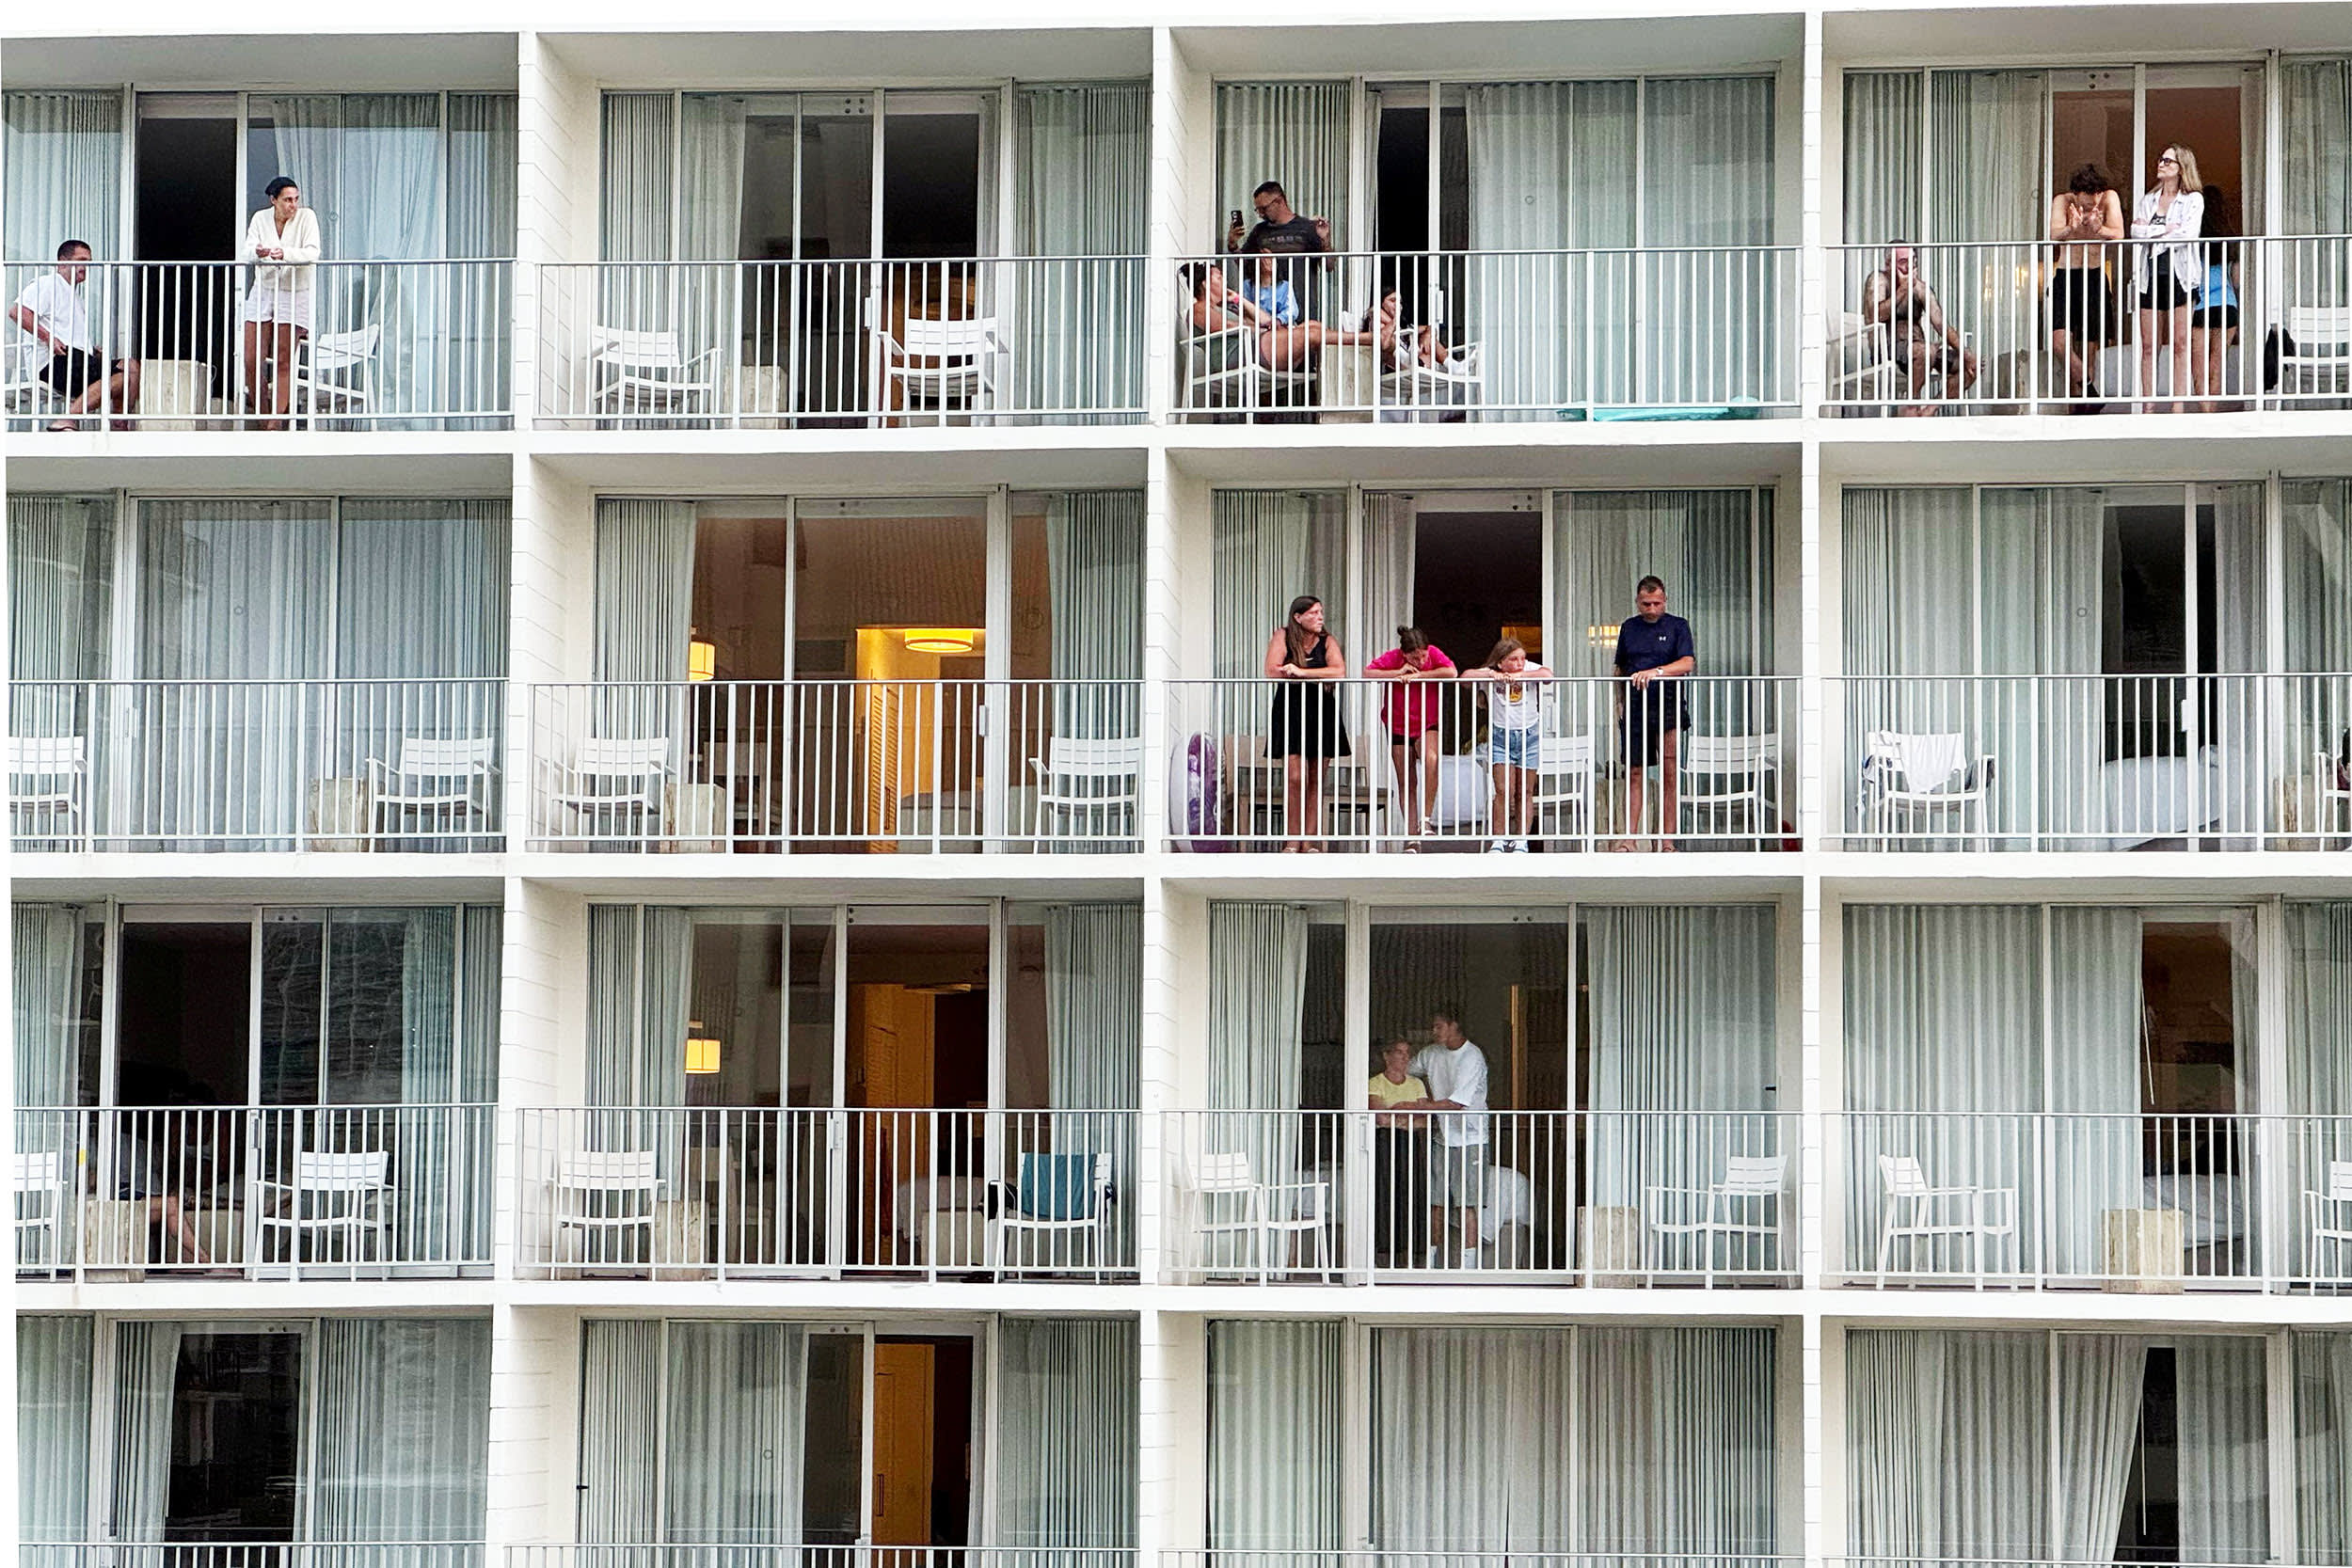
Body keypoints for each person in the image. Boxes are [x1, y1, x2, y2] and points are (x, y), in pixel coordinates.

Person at [9, 239, 139, 431]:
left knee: (131, 366)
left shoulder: (74, 295)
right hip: (55, 361)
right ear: (62, 262)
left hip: (75, 359)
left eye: (89, 261)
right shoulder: (49, 284)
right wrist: (49, 338)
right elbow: (17, 312)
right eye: (81, 260)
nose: (86, 266)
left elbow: (66, 331)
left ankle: (119, 423)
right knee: (122, 378)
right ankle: (68, 419)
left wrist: (91, 351)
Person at [1613, 576, 1696, 851]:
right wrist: (1618, 703)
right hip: (1635, 706)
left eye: (1656, 603)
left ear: (1665, 601)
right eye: (1645, 604)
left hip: (1668, 703)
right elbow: (1620, 668)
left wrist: (1656, 672)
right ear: (1638, 601)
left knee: (1669, 772)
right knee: (1634, 772)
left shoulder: (1677, 626)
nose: (1651, 609)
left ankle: (1667, 841)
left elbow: (1687, 662)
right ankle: (1629, 838)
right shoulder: (1628, 627)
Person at [1265, 594, 1349, 850]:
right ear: (1297, 617)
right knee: (1294, 775)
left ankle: (1309, 841)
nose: (1320, 617)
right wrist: (1314, 676)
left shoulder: (1327, 641)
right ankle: (1292, 839)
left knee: (1316, 777)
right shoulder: (1283, 635)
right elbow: (1272, 670)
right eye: (1313, 613)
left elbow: (1339, 671)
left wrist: (1301, 672)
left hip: (1321, 709)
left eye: (1321, 612)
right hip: (1291, 708)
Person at [240, 175, 322, 430]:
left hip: (294, 290)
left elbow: (312, 252)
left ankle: (274, 422)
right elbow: (246, 251)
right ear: (273, 200)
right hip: (263, 288)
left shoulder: (307, 217)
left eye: (296, 199)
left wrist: (284, 253)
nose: (293, 205)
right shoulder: (260, 218)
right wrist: (259, 252)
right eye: (287, 200)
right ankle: (262, 415)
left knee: (285, 358)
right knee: (252, 357)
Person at [1410, 1009, 1490, 1268]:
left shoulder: (1472, 1056)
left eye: (1438, 1026)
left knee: (1467, 1204)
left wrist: (1421, 1107)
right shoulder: (1431, 1053)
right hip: (1442, 1137)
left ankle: (1468, 1268)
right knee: (1436, 1202)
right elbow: (1405, 1071)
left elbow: (1457, 1103)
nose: (1434, 1032)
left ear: (1455, 1026)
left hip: (1471, 1137)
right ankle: (1432, 1263)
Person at [1458, 637, 1553, 853]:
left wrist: (1520, 675)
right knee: (1503, 790)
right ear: (1501, 662)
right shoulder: (1493, 672)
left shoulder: (1527, 669)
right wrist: (1493, 674)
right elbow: (1465, 677)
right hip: (1501, 735)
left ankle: (1521, 840)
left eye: (1522, 658)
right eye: (1513, 660)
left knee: (1525, 791)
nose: (1520, 663)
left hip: (1529, 734)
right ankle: (1499, 840)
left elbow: (1547, 675)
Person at [1366, 626, 1456, 846]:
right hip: (1398, 723)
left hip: (1427, 721)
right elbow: (1368, 672)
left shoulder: (1433, 653)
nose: (1421, 660)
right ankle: (1411, 835)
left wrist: (1421, 676)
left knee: (1431, 759)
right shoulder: (1393, 658)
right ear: (1404, 654)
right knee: (1406, 781)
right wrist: (1398, 673)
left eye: (1423, 655)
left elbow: (1451, 672)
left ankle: (1426, 821)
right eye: (1415, 657)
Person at [1861, 245, 1978, 414]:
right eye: (1903, 262)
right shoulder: (1879, 280)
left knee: (1971, 366)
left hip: (1920, 349)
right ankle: (1911, 404)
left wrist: (1967, 354)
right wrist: (1902, 290)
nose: (1910, 267)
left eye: (1913, 261)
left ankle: (1930, 409)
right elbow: (1875, 315)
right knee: (1926, 351)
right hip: (1887, 348)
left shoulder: (1921, 288)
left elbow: (1941, 325)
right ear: (1888, 264)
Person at [2131, 145, 2204, 412]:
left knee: (2180, 343)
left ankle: (2177, 406)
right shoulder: (2148, 199)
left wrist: (2150, 230)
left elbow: (2187, 235)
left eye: (2167, 160)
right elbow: (2134, 232)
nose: (2160, 164)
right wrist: (2163, 229)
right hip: (2149, 276)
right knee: (2149, 345)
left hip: (2180, 276)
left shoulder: (2193, 199)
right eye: (2160, 159)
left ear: (2181, 167)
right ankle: (2148, 405)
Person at [2047, 164, 2123, 405]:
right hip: (2066, 274)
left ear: (2099, 193)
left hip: (2094, 274)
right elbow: (2053, 234)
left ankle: (2082, 404)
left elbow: (2119, 233)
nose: (2087, 207)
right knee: (2060, 343)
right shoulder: (2063, 201)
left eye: (2091, 203)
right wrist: (2073, 227)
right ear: (2075, 194)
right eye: (2082, 203)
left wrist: (2097, 228)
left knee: (2090, 344)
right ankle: (2087, 389)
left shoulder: (2109, 198)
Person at [1366, 1037, 1431, 1264]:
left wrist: (1399, 1116)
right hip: (1384, 1143)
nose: (1405, 1057)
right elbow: (1380, 1118)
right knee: (1386, 1192)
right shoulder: (1375, 1083)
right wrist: (1406, 1119)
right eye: (1400, 1052)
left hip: (1410, 1144)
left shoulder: (1416, 1084)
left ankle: (1412, 1251)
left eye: (1408, 1053)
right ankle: (1384, 1250)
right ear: (1387, 1056)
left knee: (1412, 1192)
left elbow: (1425, 1120)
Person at [2191, 183, 2240, 414]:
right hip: (2227, 304)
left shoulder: (2193, 238)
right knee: (2217, 362)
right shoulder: (2229, 239)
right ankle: (2212, 412)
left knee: (2198, 363)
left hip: (2200, 305)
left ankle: (2204, 410)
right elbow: (2237, 280)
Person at [1226, 181, 1332, 255]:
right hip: (1269, 288)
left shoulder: (1307, 227)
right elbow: (1245, 264)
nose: (1261, 214)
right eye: (1258, 210)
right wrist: (1233, 245)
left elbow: (1328, 266)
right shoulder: (1259, 231)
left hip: (1301, 288)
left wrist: (1324, 240)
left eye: (1264, 209)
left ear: (1279, 201)